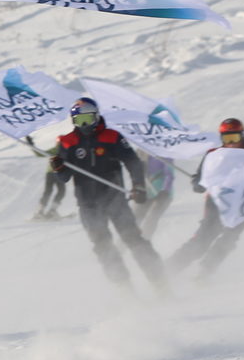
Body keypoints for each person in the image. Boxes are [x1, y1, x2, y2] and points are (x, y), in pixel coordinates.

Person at [49, 97, 168, 291]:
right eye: (80, 121)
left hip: (114, 197)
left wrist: (138, 186)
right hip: (88, 203)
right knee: (102, 245)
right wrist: (59, 168)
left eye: (89, 119)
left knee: (133, 238)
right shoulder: (68, 142)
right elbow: (64, 178)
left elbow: (133, 162)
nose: (85, 125)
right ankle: (125, 289)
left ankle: (161, 283)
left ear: (97, 116)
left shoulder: (112, 136)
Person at [170, 119, 244, 277]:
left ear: (242, 136)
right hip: (217, 202)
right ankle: (170, 268)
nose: (231, 143)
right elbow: (200, 176)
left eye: (234, 138)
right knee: (204, 237)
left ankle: (206, 270)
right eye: (227, 139)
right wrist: (198, 183)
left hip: (242, 205)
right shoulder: (213, 155)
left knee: (229, 237)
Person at [134, 152, 176, 239]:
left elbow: (169, 174)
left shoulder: (164, 152)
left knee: (151, 219)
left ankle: (144, 243)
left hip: (162, 194)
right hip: (146, 192)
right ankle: (122, 245)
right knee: (135, 219)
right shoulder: (142, 151)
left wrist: (165, 190)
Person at [27, 136, 67, 221]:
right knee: (61, 191)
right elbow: (40, 154)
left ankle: (41, 211)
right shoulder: (65, 150)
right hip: (58, 173)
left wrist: (31, 145)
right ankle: (51, 211)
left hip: (50, 173)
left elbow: (40, 154)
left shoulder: (55, 150)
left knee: (48, 191)